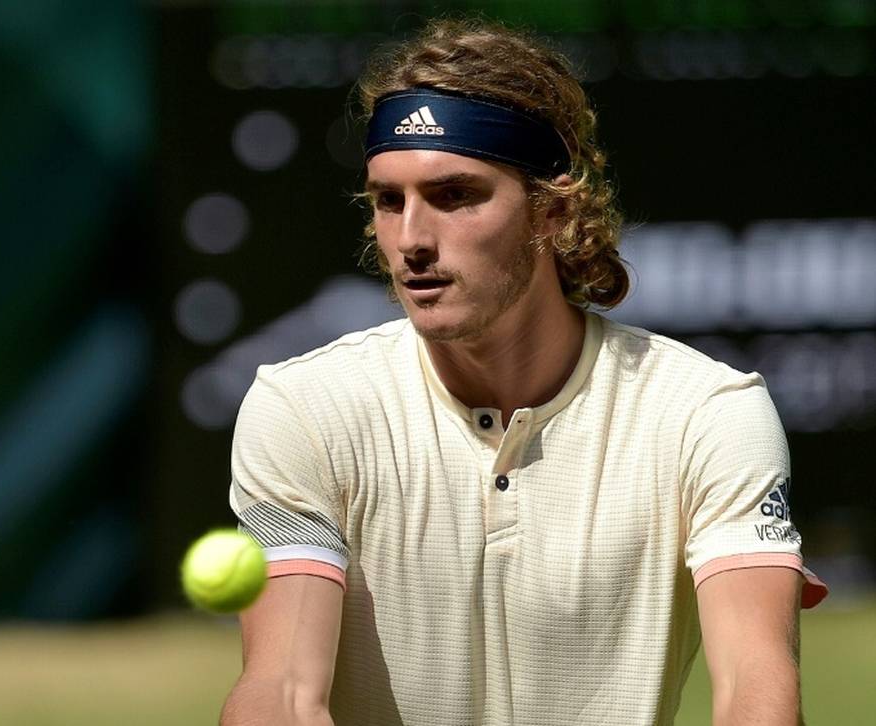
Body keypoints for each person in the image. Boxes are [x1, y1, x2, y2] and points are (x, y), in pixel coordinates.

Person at [221, 18, 827, 726]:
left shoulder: (707, 413)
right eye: (389, 200)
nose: (411, 239)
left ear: (553, 210)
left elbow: (756, 688)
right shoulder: (303, 409)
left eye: (455, 195)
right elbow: (283, 696)